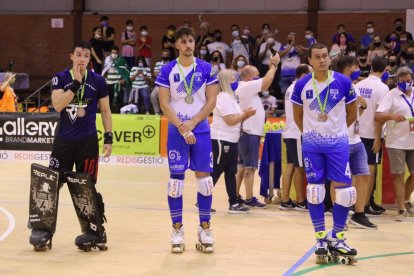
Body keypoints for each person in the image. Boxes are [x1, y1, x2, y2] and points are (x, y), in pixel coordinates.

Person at [29, 41, 112, 251]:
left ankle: (96, 232)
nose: (82, 59)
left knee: (87, 187)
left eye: (86, 56)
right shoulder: (61, 77)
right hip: (64, 142)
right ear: (71, 57)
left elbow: (105, 110)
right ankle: (43, 231)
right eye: (78, 55)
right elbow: (57, 105)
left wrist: (109, 137)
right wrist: (75, 84)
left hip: (88, 142)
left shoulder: (98, 81)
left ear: (88, 59)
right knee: (50, 183)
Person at [155, 26, 219, 254]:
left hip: (200, 129)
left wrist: (192, 123)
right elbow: (164, 103)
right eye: (184, 41)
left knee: (205, 182)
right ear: (177, 45)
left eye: (191, 41)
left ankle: (205, 229)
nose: (188, 45)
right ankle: (177, 230)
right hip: (176, 132)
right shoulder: (167, 70)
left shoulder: (206, 68)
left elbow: (211, 101)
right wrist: (182, 126)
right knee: (175, 184)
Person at [291, 43, 358, 262]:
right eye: (317, 57)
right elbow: (298, 117)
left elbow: (352, 113)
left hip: (338, 144)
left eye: (325, 56)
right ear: (309, 61)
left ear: (329, 59)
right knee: (315, 191)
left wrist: (335, 132)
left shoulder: (344, 82)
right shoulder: (301, 86)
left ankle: (338, 237)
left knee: (346, 192)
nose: (321, 60)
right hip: (312, 146)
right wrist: (312, 135)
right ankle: (320, 236)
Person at [336, 56, 377, 229]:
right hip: (341, 139)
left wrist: (362, 106)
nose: (358, 71)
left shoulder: (355, 87)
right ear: (348, 69)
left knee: (363, 175)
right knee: (339, 179)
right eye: (356, 68)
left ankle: (359, 214)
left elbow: (356, 113)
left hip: (356, 138)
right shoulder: (335, 87)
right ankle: (339, 217)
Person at [235, 53, 281, 208]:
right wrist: (273, 65)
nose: (258, 78)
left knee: (242, 166)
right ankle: (249, 198)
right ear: (248, 76)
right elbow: (267, 82)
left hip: (246, 132)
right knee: (250, 167)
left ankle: (235, 195)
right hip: (249, 133)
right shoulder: (247, 87)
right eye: (256, 76)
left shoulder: (245, 88)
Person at [210, 69, 256, 214]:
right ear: (225, 81)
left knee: (230, 171)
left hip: (231, 139)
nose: (234, 81)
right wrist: (245, 114)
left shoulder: (231, 97)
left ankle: (234, 203)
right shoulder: (223, 97)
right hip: (222, 139)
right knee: (216, 171)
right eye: (232, 79)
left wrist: (245, 115)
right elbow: (230, 120)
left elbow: (236, 119)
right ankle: (202, 200)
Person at [375, 66, 414, 221]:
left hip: (413, 141)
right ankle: (401, 209)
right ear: (398, 81)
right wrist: (391, 116)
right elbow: (378, 116)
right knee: (398, 175)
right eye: (403, 81)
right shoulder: (391, 95)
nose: (406, 84)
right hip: (396, 142)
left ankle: (405, 199)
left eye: (409, 81)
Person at [355, 57, 389, 215]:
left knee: (357, 172)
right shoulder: (383, 88)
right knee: (369, 171)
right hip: (371, 133)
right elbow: (379, 116)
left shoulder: (359, 85)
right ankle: (364, 205)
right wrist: (377, 137)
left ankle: (361, 203)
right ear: (385, 70)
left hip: (356, 132)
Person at [279, 64, 310, 211]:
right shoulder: (299, 88)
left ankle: (285, 200)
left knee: (291, 165)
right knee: (300, 168)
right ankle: (300, 201)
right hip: (297, 132)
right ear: (304, 75)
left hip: (291, 131)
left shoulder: (291, 88)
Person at [102, 46, 130, 113]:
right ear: (110, 53)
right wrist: (104, 79)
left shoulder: (121, 60)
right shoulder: (107, 60)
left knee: (119, 101)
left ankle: (120, 117)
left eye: (116, 53)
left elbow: (126, 71)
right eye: (113, 52)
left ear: (118, 53)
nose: (114, 54)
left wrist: (123, 79)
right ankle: (109, 116)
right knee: (109, 101)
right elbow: (104, 71)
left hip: (118, 83)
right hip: (109, 83)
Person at [151, 49, 171, 115]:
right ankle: (157, 112)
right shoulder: (158, 64)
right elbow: (155, 74)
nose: (164, 56)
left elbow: (171, 75)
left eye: (166, 55)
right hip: (159, 84)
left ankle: (166, 113)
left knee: (166, 99)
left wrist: (161, 73)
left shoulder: (171, 64)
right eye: (163, 55)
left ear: (168, 56)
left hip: (168, 85)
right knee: (153, 96)